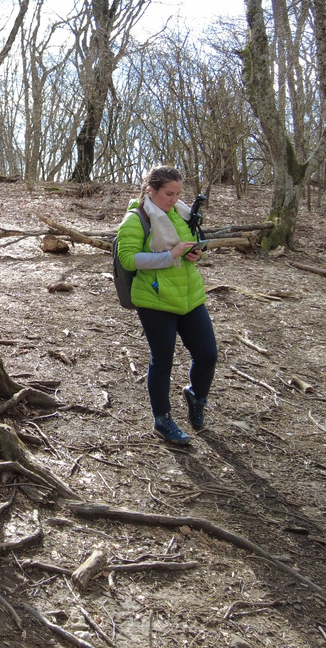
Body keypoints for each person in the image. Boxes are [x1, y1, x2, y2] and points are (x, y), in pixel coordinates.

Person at [116, 165, 218, 446]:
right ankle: (162, 420)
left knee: (208, 354)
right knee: (162, 361)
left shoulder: (180, 213)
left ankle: (196, 396)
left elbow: (189, 244)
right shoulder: (136, 220)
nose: (174, 199)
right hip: (155, 298)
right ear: (152, 191)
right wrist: (170, 255)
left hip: (189, 295)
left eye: (177, 194)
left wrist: (194, 253)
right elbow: (129, 259)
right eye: (169, 194)